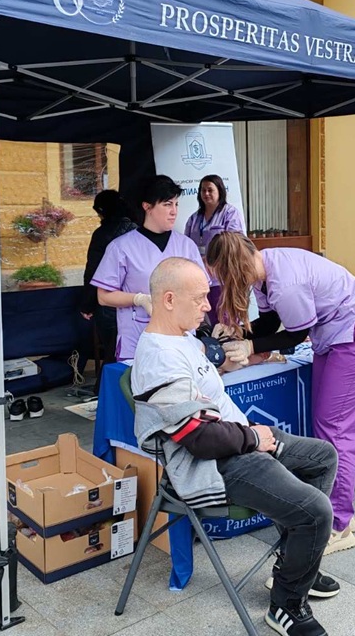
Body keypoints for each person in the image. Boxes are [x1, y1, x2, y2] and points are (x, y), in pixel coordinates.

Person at [132, 257, 339, 636]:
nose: (207, 306)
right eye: (199, 298)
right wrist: (254, 439)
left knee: (322, 457)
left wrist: (232, 361)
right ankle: (287, 604)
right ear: (169, 300)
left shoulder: (182, 336)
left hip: (235, 440)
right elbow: (200, 439)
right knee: (315, 512)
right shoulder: (160, 359)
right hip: (214, 462)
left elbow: (206, 386)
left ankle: (293, 562)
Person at [205, 232, 355, 555]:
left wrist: (250, 345)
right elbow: (272, 320)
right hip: (336, 337)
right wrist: (241, 333)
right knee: (327, 427)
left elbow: (295, 334)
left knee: (336, 431)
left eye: (222, 277)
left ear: (233, 269)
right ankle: (340, 511)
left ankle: (338, 525)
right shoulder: (264, 268)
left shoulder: (285, 282)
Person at [91, 175, 206, 362]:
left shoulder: (186, 246)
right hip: (138, 340)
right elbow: (103, 297)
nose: (174, 211)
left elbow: (201, 291)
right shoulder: (121, 247)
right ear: (147, 206)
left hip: (182, 341)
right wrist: (139, 299)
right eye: (167, 204)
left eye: (176, 204)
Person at [80, 190, 136, 362]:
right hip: (136, 304)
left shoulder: (101, 235)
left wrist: (87, 305)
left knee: (113, 355)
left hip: (109, 305)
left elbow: (94, 271)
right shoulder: (138, 232)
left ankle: (109, 381)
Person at [183, 174, 246, 323]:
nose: (206, 194)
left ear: (220, 191)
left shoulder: (229, 213)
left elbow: (235, 243)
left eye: (210, 190)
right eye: (203, 190)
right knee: (209, 320)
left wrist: (212, 260)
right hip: (201, 278)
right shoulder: (194, 218)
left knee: (227, 320)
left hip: (223, 277)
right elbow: (186, 245)